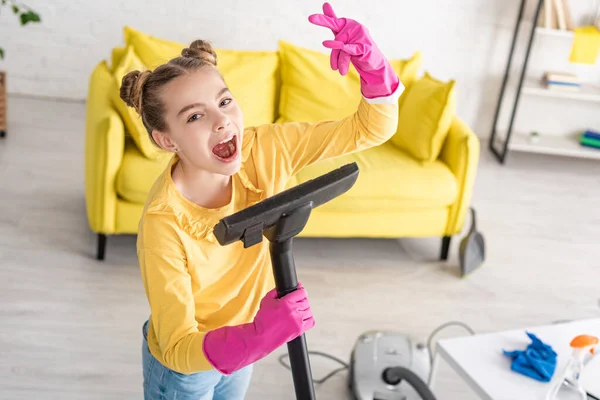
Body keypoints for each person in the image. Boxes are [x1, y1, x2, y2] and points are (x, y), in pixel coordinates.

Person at [120, 3, 403, 399]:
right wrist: (256, 336)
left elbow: (368, 129)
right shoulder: (163, 224)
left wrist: (373, 68)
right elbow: (176, 347)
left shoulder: (266, 148)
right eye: (194, 117)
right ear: (166, 140)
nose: (222, 122)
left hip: (245, 344)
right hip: (190, 366)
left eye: (223, 102)